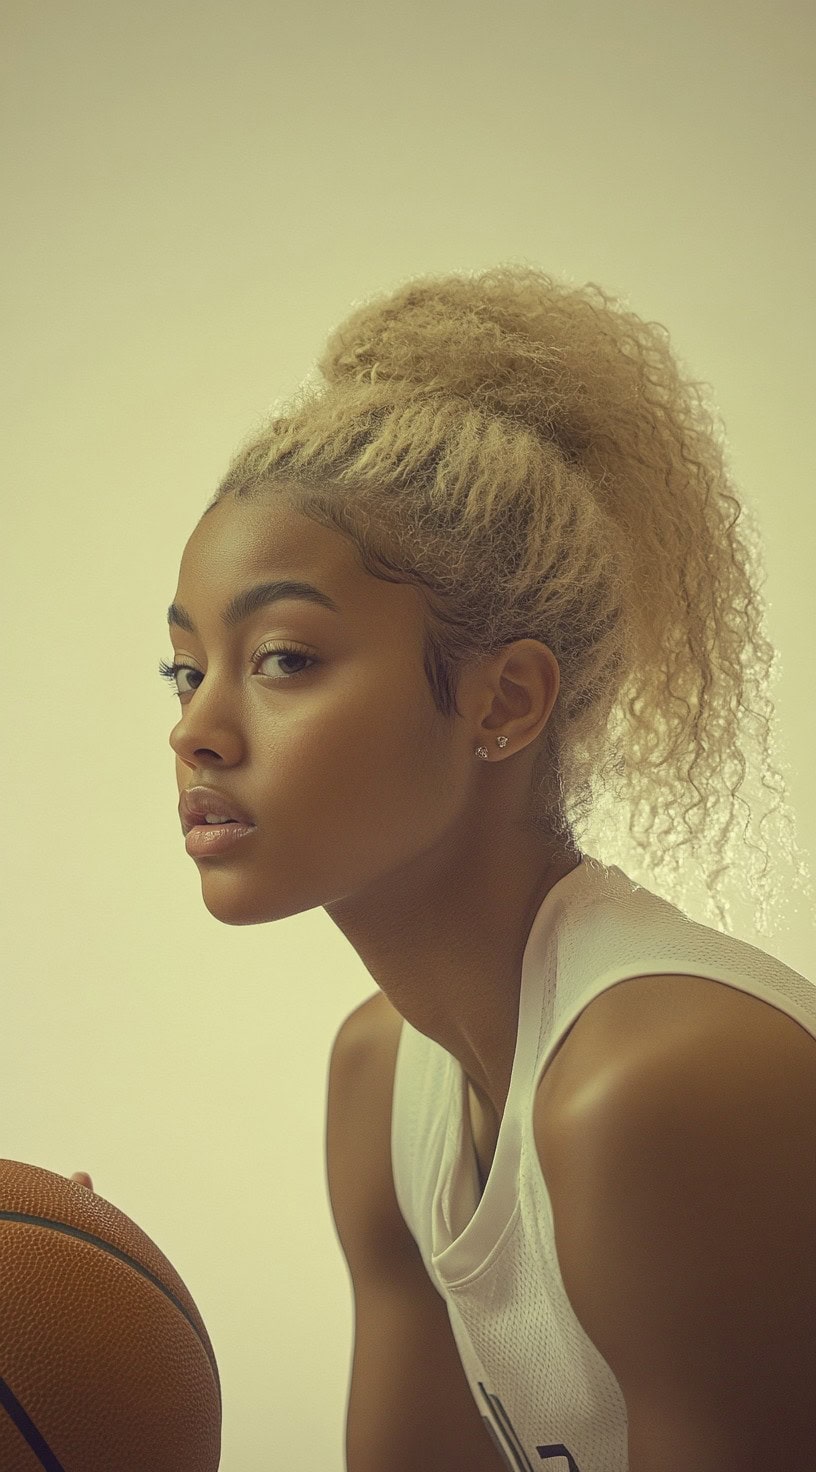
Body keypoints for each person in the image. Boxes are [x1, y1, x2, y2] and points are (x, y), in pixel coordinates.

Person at [75, 264, 816, 1466]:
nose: (194, 727)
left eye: (282, 657)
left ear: (505, 699)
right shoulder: (387, 1086)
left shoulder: (662, 1087)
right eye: (183, 667)